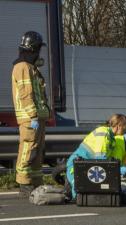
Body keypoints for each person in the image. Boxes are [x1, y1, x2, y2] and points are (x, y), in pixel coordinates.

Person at [66, 114, 126, 200]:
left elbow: (109, 164)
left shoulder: (112, 138)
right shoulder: (103, 134)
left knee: (90, 196)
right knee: (79, 195)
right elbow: (103, 164)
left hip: (87, 166)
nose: (125, 131)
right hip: (77, 166)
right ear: (119, 126)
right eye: (125, 128)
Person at [11, 31, 49, 197]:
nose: (39, 53)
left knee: (37, 151)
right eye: (38, 49)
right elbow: (26, 94)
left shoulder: (30, 67)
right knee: (28, 149)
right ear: (32, 49)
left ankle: (35, 181)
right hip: (29, 118)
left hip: (37, 117)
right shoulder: (22, 67)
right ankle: (24, 182)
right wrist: (33, 115)